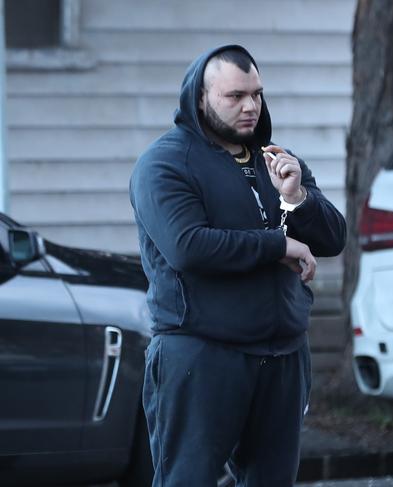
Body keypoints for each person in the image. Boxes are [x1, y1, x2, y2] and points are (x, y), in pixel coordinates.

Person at [130, 45, 346, 486]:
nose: (250, 106)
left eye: (257, 94)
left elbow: (333, 238)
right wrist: (277, 246)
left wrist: (296, 197)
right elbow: (188, 247)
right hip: (202, 353)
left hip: (282, 354)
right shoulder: (165, 163)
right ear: (200, 98)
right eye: (234, 96)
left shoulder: (278, 160)